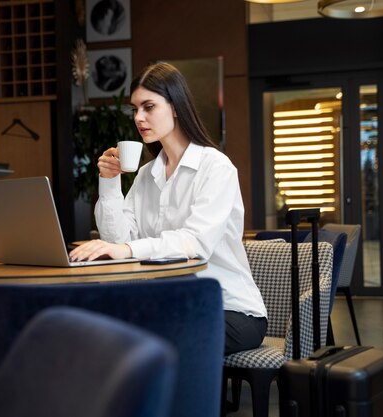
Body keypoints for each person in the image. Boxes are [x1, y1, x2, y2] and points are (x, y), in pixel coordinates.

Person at [69, 62, 267, 355]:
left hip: (231, 310)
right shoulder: (147, 175)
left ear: (175, 107)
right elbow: (117, 240)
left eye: (149, 107)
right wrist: (109, 183)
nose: (139, 117)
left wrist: (128, 249)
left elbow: (195, 243)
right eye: (135, 109)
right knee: (97, 325)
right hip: (170, 302)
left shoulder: (216, 168)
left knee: (147, 338)